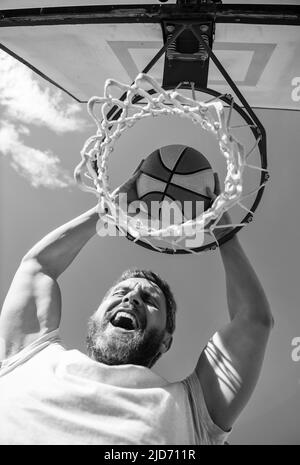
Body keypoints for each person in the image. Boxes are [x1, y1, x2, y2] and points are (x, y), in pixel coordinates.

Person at [0, 171, 274, 445]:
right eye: (121, 292)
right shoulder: (30, 354)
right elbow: (37, 266)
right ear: (94, 316)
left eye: (150, 299)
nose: (131, 299)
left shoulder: (192, 409)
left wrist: (222, 232)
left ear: (166, 340)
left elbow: (254, 321)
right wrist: (109, 209)